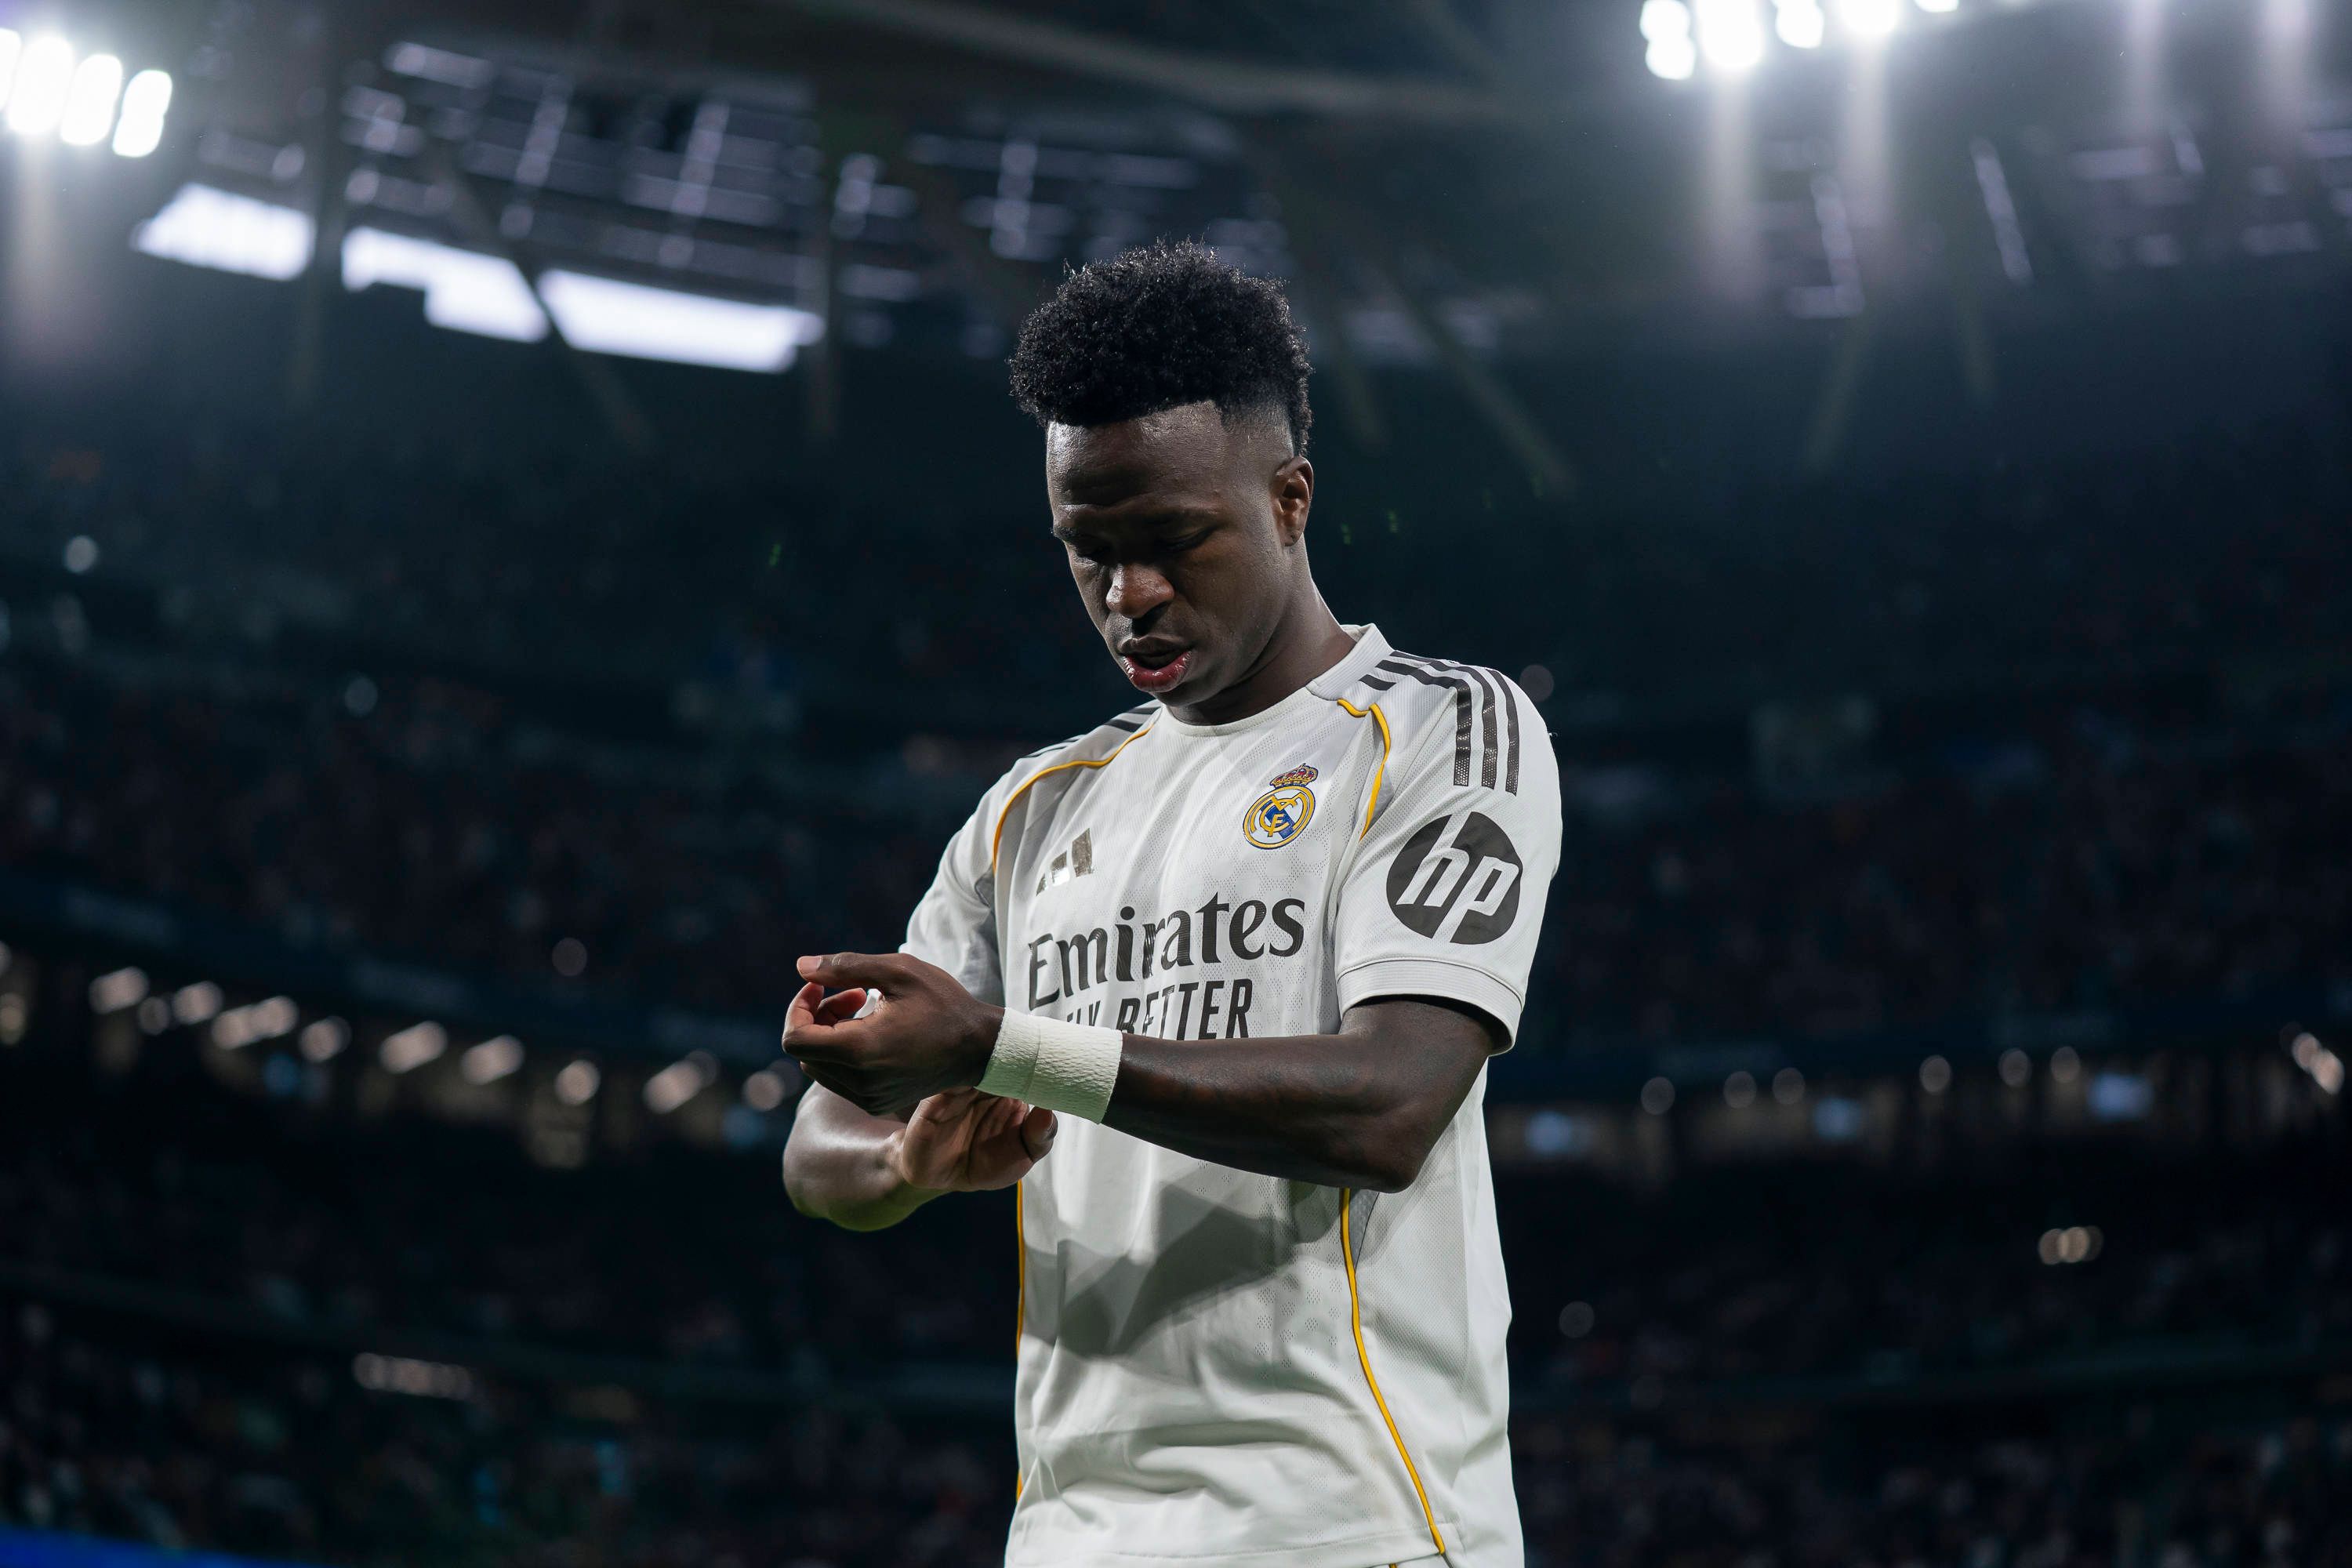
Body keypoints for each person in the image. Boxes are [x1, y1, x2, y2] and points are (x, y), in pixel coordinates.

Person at [781, 241, 1560, 1568]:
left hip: (1347, 1527)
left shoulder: (1442, 729)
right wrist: (903, 1165)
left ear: (1291, 499)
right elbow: (819, 1149)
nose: (1128, 595)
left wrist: (1002, 1048)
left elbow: (1390, 1105)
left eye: (1173, 542)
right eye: (1087, 551)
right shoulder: (1032, 810)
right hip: (1072, 1535)